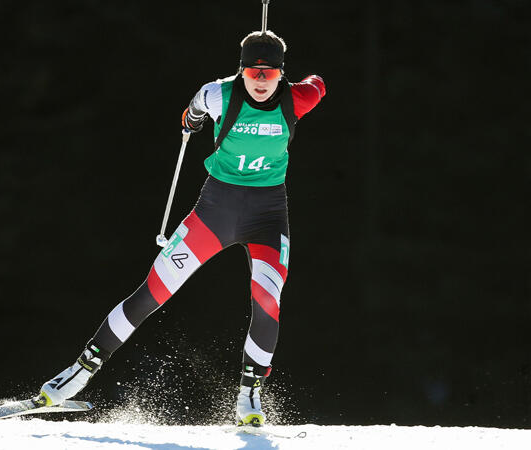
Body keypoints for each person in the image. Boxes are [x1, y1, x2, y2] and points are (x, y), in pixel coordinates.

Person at [36, 30, 325, 427]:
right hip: (214, 213)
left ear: (280, 75)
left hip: (268, 218)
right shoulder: (218, 95)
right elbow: (192, 109)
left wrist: (308, 82)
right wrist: (193, 119)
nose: (260, 81)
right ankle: (80, 371)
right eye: (253, 72)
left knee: (268, 299)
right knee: (152, 292)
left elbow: (318, 85)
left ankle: (249, 395)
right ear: (240, 72)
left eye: (269, 73)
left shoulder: (297, 98)